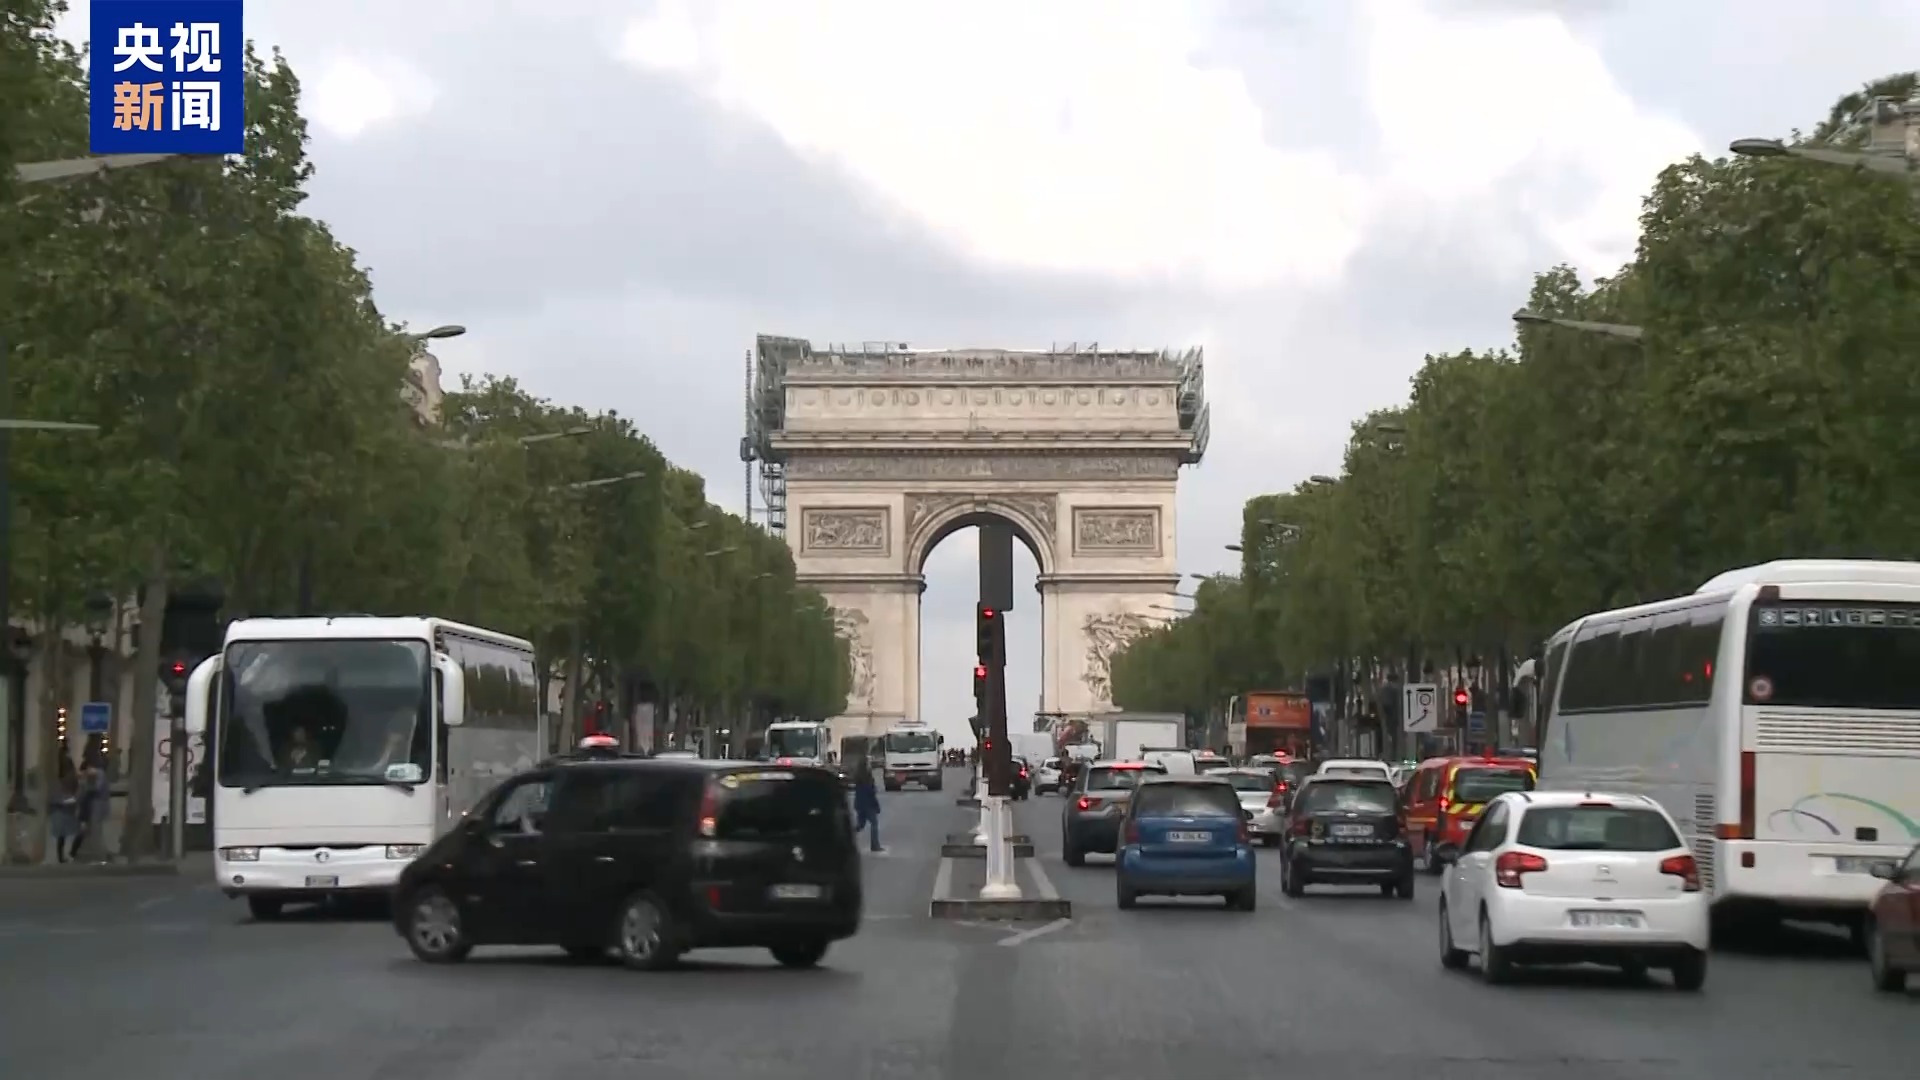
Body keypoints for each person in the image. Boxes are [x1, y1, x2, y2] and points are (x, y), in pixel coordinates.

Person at [849, 749, 884, 854]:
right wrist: (876, 805)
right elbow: (870, 792)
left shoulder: (858, 776)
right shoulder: (867, 776)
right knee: (874, 824)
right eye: (869, 762)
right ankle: (875, 845)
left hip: (859, 804)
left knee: (860, 825)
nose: (870, 764)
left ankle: (847, 837)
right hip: (868, 804)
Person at [48, 756, 81, 863]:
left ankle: (61, 857)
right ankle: (69, 854)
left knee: (61, 835)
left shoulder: (58, 778)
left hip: (59, 808)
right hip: (68, 808)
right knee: (74, 832)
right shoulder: (72, 777)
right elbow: (76, 792)